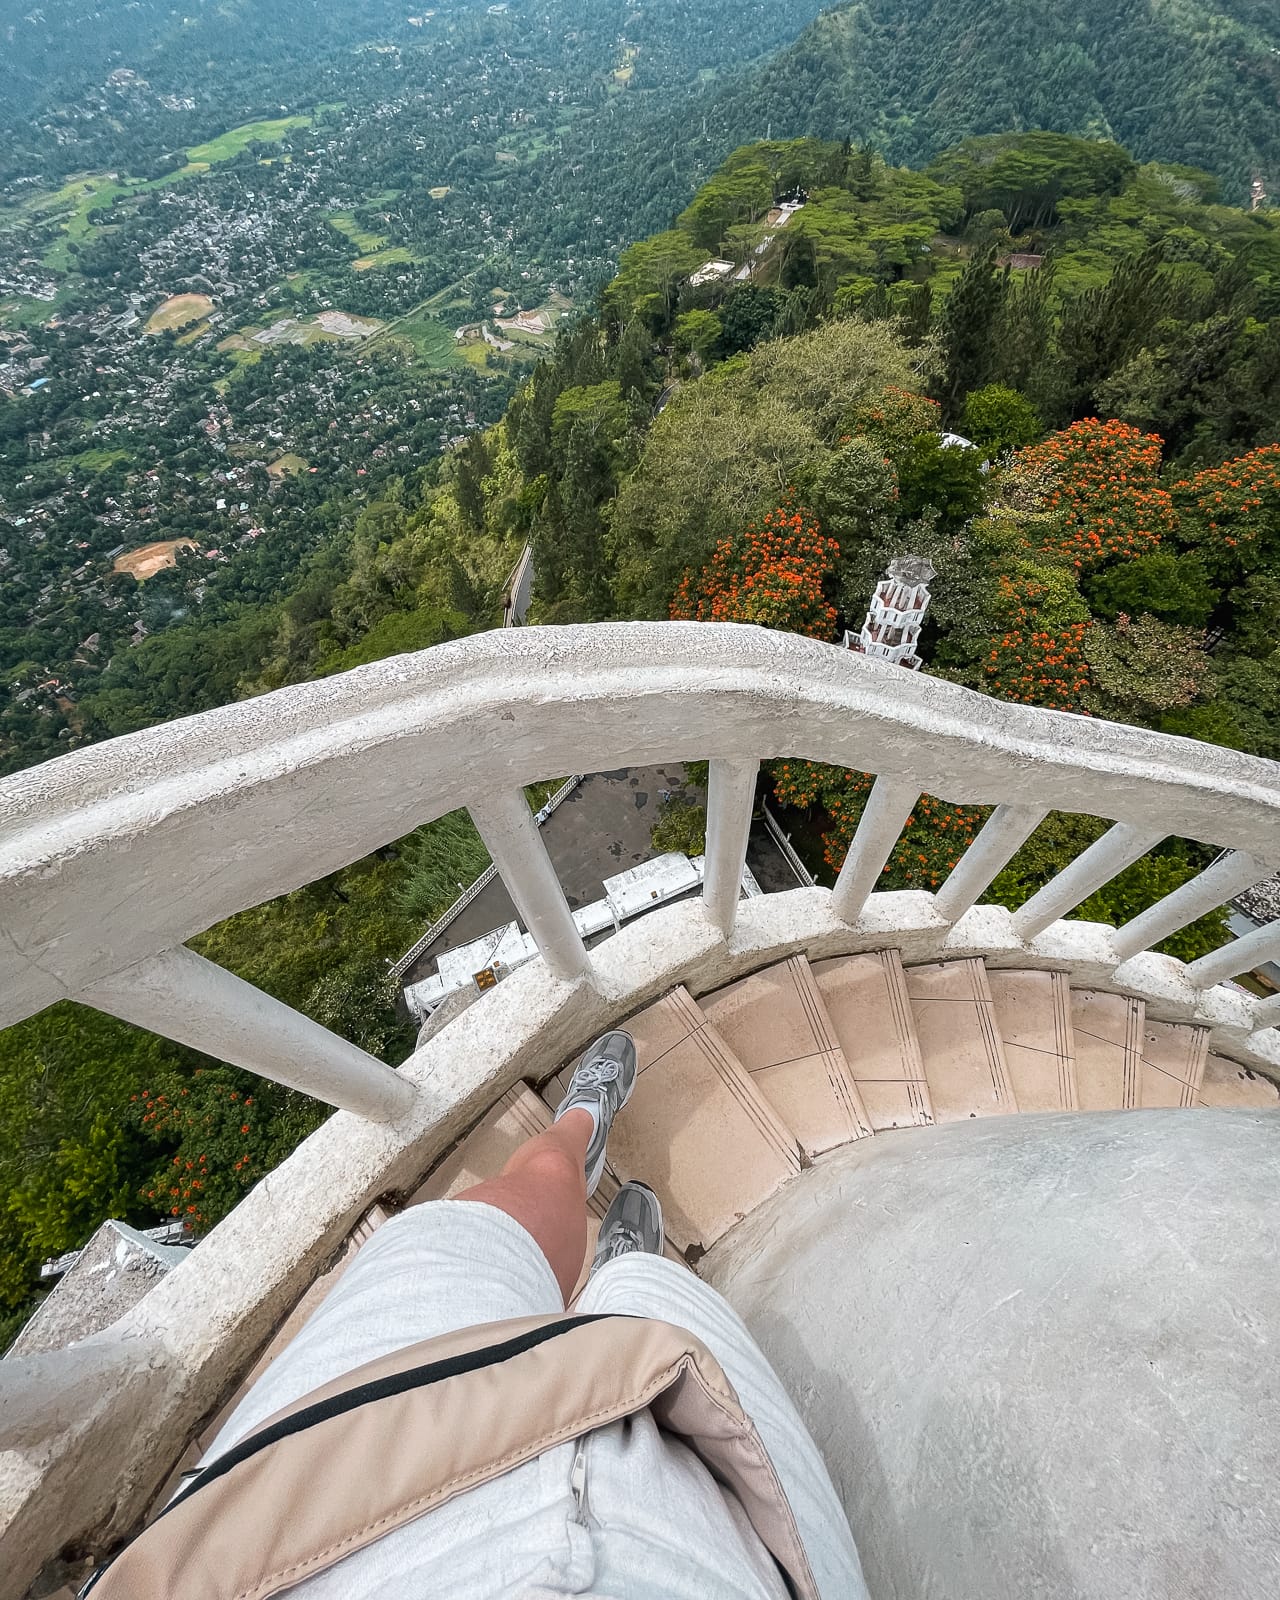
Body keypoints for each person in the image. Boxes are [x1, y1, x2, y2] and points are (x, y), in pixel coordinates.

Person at [87, 1032, 869, 1599]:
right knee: (658, 1314)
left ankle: (577, 1138)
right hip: (698, 1552)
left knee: (495, 1220)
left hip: (306, 1496)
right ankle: (620, 1272)